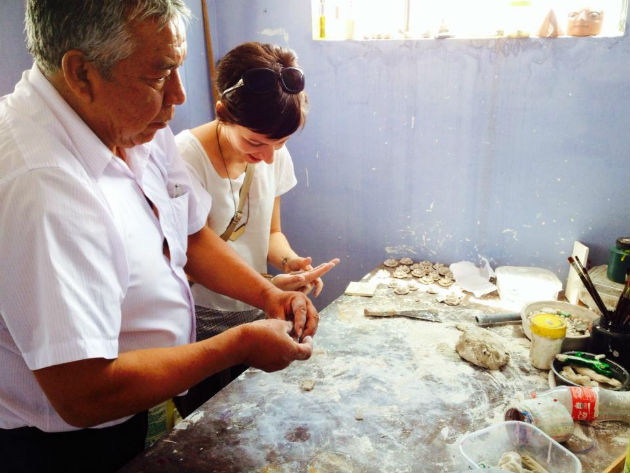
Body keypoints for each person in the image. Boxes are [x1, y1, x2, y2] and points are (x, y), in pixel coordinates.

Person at [0, 2, 318, 472]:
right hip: (63, 445)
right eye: (158, 75)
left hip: (139, 404)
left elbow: (189, 235)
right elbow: (83, 395)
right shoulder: (40, 186)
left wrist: (268, 293)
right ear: (81, 72)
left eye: (178, 68)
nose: (180, 96)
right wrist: (239, 345)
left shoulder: (135, 125)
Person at [173, 42, 339, 415]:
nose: (268, 156)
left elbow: (269, 232)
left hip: (256, 311)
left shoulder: (272, 147)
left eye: (280, 143)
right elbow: (189, 261)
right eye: (256, 142)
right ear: (222, 112)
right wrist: (267, 289)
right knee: (207, 418)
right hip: (200, 319)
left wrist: (290, 262)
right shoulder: (181, 160)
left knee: (252, 411)